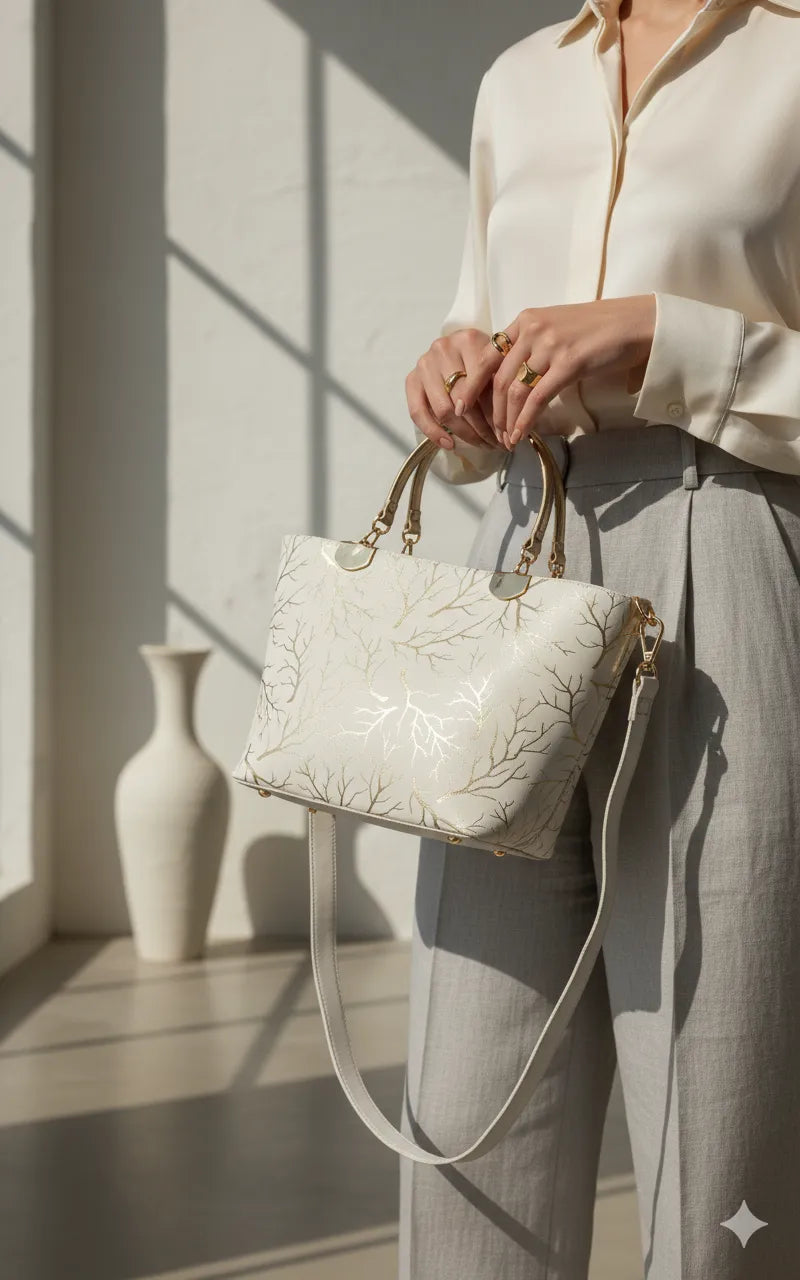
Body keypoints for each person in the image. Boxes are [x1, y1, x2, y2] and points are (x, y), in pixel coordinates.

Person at [397, 1, 800, 1277]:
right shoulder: (519, 81)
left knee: (714, 1092)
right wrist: (453, 383)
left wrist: (668, 337)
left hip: (724, 545)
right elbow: (474, 402)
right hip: (522, 557)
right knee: (466, 1097)